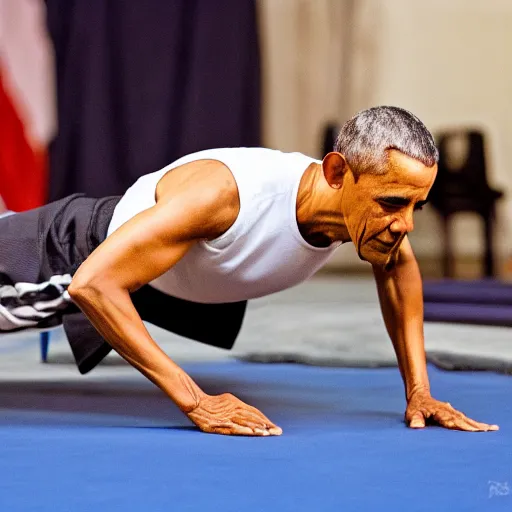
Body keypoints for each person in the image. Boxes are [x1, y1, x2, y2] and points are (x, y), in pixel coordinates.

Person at [0, 106, 498, 436]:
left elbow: (399, 272)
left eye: (416, 207)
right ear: (337, 173)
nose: (403, 225)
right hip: (69, 250)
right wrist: (196, 402)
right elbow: (93, 281)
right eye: (392, 203)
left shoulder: (357, 215)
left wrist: (420, 392)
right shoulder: (228, 194)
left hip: (150, 277)